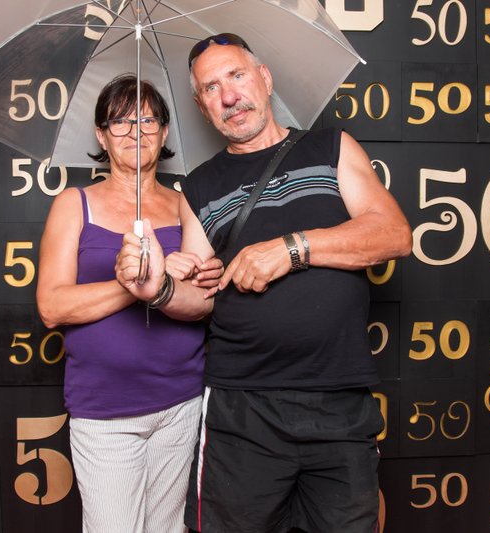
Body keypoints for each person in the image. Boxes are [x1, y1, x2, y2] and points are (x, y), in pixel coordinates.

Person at [115, 34, 412, 533]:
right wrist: (156, 289)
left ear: (265, 78)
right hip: (242, 408)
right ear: (201, 106)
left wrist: (290, 249)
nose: (229, 96)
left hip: (338, 399)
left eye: (236, 76)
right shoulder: (200, 186)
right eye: (211, 88)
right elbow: (200, 296)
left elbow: (394, 235)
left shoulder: (330, 148)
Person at [36, 74, 222, 533]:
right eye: (120, 122)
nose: (135, 132)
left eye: (147, 120)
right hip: (105, 410)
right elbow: (52, 308)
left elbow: (203, 300)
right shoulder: (74, 204)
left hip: (180, 401)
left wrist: (185, 280)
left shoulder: (186, 204)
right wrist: (135, 283)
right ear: (101, 135)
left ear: (163, 131)